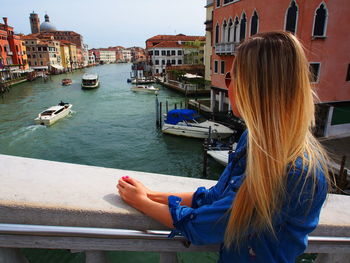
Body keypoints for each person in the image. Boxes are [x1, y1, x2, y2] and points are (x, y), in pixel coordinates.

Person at [117, 31, 330, 263]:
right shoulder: (254, 139)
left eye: (230, 78)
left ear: (251, 87)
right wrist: (152, 194)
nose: (228, 86)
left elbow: (203, 226)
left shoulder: (294, 173)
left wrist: (142, 202)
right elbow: (215, 197)